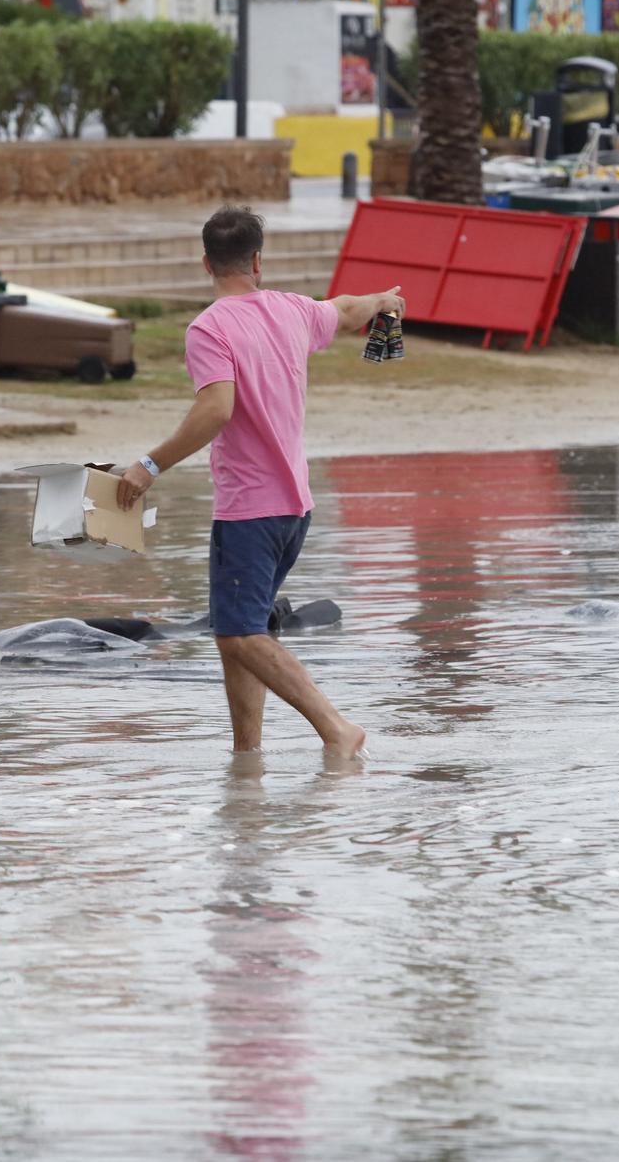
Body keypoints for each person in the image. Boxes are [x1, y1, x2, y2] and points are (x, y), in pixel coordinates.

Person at [115, 206, 405, 759]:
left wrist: (147, 466)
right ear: (256, 260)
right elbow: (345, 309)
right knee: (236, 636)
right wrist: (383, 302)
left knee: (241, 633)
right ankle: (246, 757)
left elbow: (216, 409)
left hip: (249, 511)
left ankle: (336, 728)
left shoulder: (210, 327)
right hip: (295, 510)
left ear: (206, 263)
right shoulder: (292, 310)